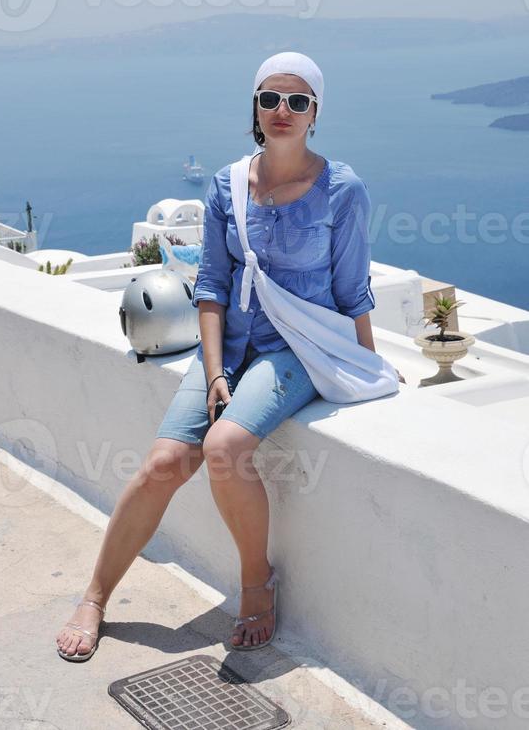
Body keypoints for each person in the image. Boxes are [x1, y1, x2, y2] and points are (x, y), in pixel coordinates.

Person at [56, 51, 405, 661]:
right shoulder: (227, 186)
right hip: (232, 347)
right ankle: (94, 596)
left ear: (316, 112)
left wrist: (367, 368)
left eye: (298, 101)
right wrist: (215, 371)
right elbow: (213, 287)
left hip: (298, 348)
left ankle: (255, 586)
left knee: (223, 447)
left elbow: (353, 292)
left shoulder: (342, 189)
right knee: (163, 462)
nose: (282, 111)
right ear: (255, 106)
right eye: (270, 98)